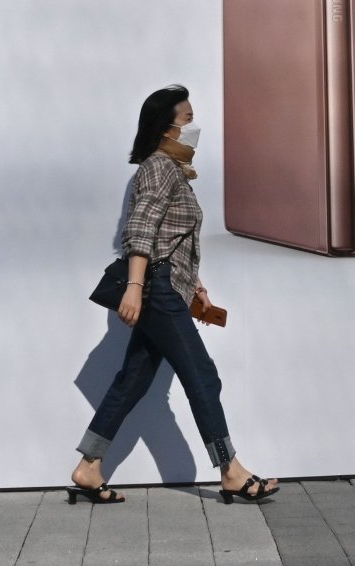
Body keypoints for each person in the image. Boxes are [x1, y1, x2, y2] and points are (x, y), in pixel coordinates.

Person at [67, 85, 279, 506]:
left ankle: (89, 466)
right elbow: (140, 229)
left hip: (167, 287)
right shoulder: (160, 167)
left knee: (134, 380)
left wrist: (194, 283)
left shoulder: (171, 170)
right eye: (186, 119)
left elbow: (170, 236)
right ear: (165, 129)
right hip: (157, 289)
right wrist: (135, 286)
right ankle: (231, 470)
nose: (193, 126)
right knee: (202, 374)